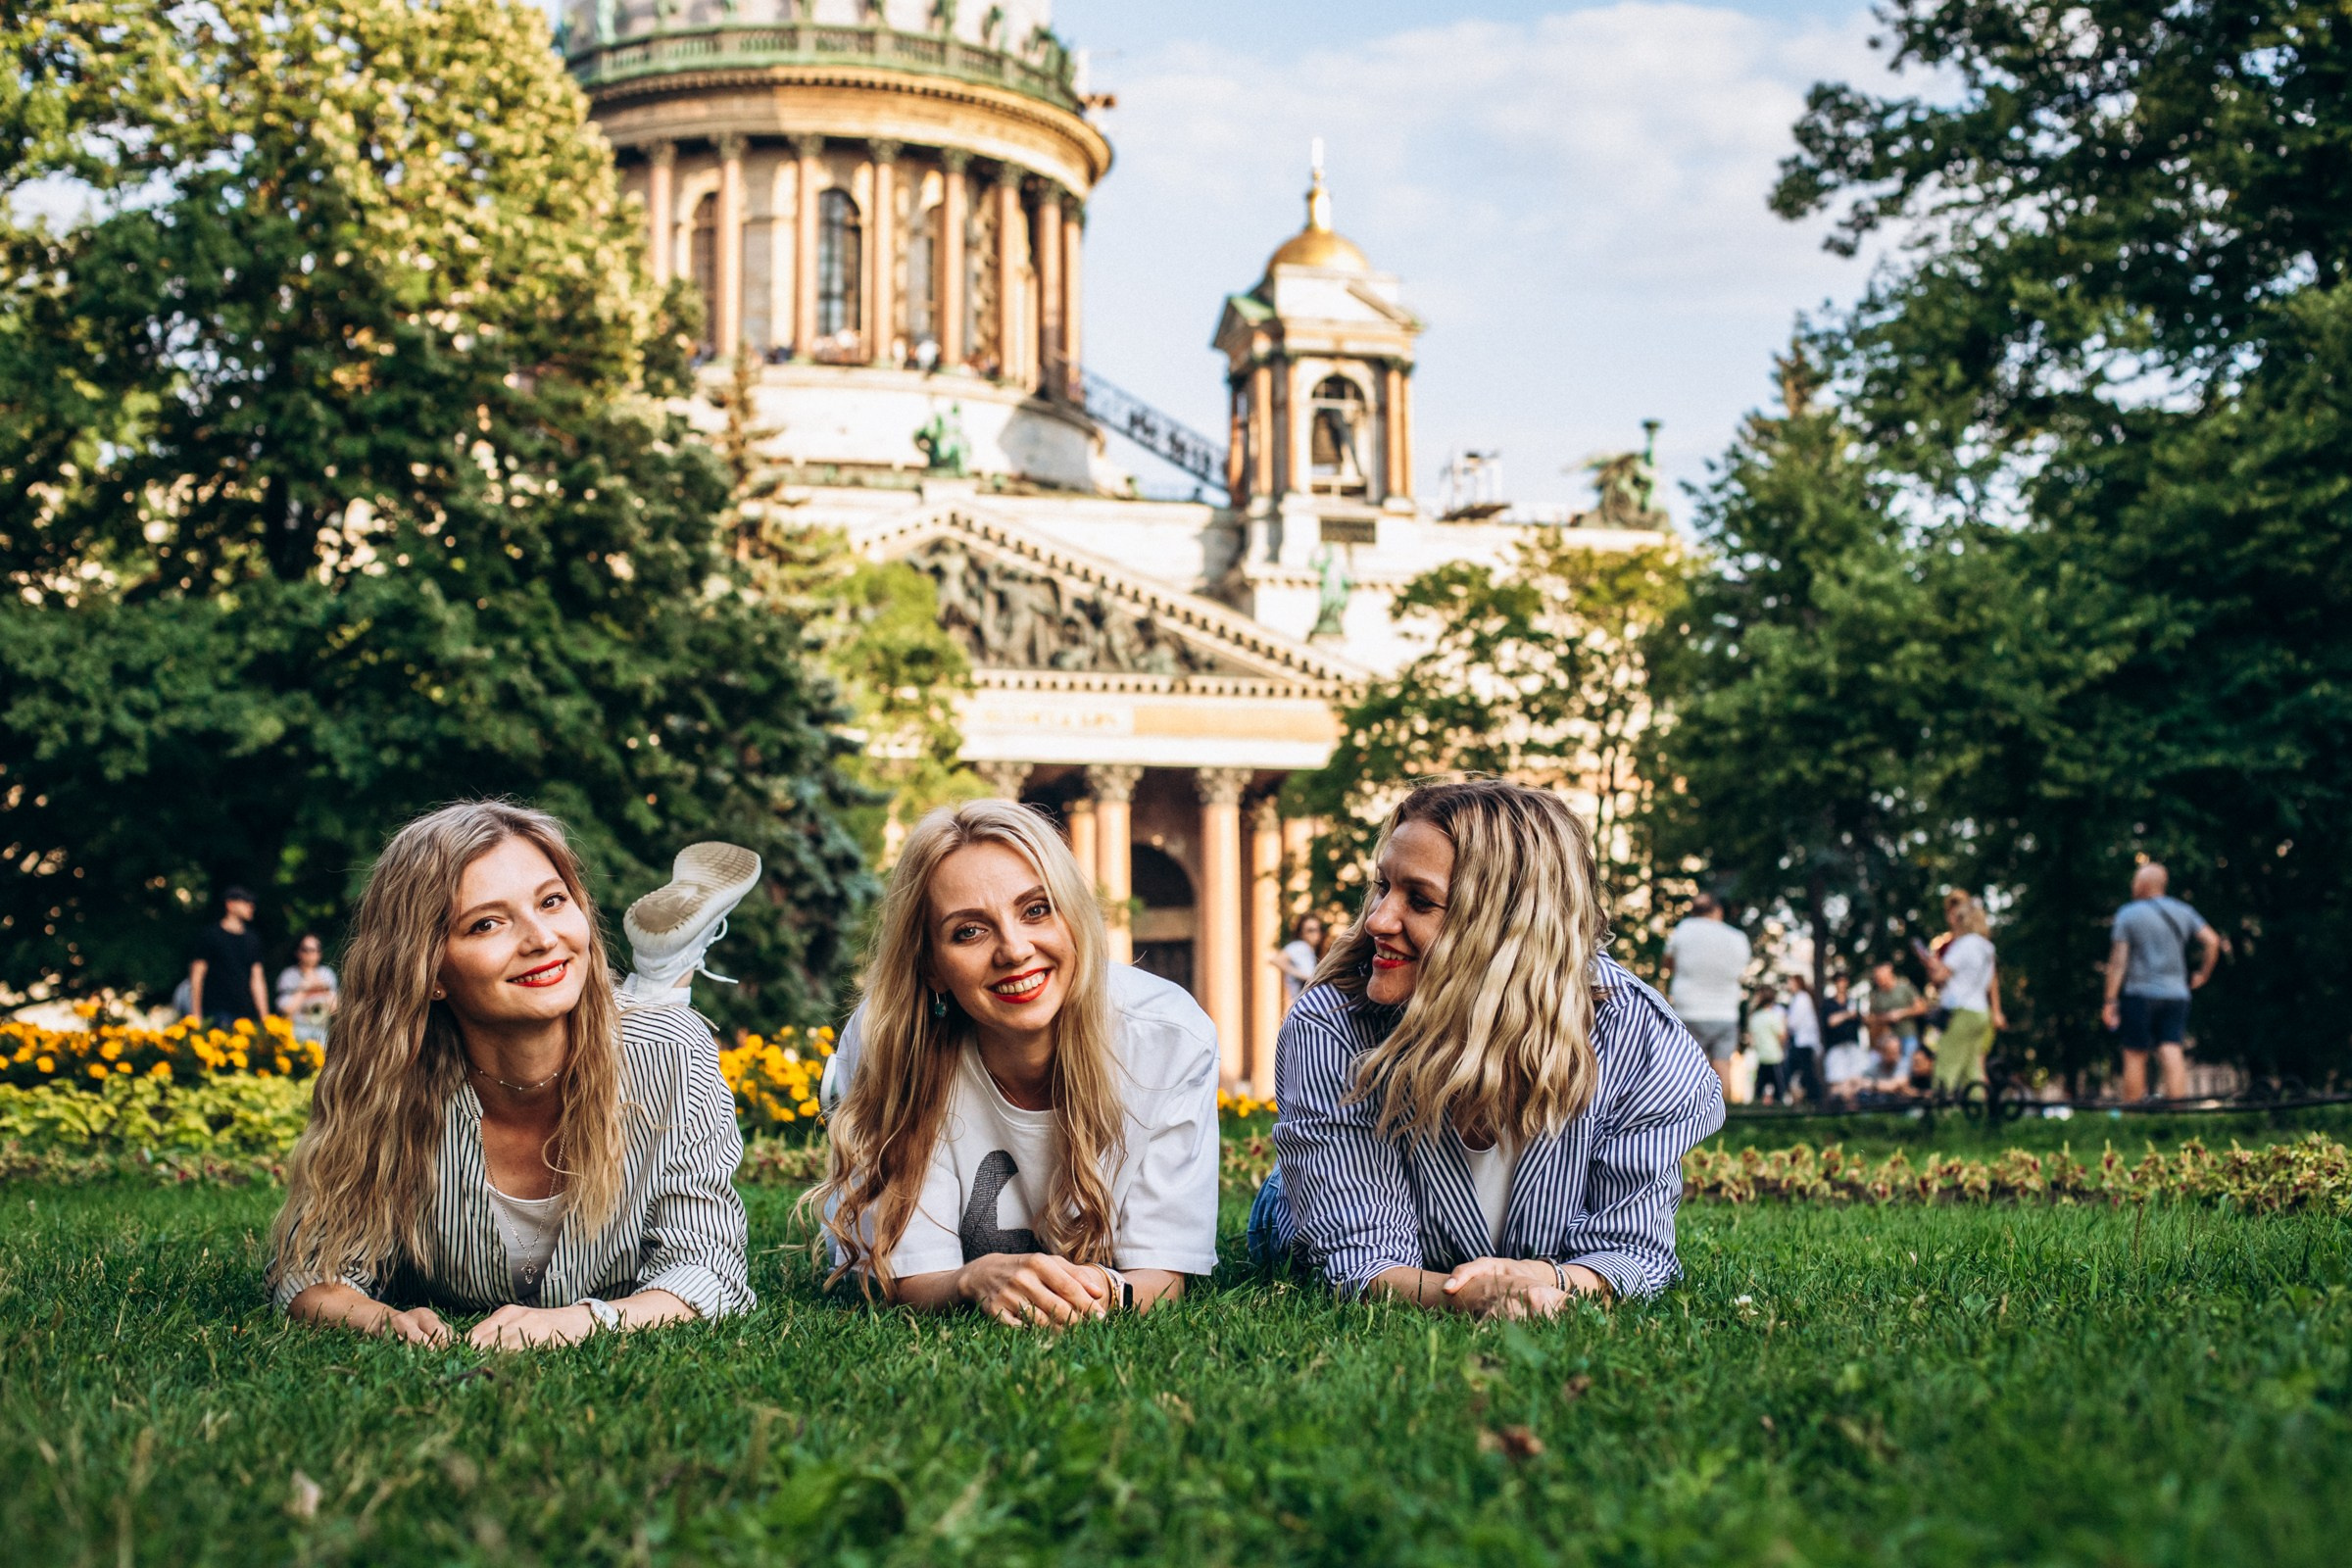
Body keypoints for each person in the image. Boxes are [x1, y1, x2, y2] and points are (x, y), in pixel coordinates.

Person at [267, 803, 757, 1348]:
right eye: (487, 923)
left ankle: (667, 972)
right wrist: (382, 1320)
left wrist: (578, 1322)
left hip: (638, 1037)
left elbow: (709, 1273)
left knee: (652, 1020)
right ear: (429, 970)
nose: (541, 938)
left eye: (552, 901)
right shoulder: (389, 1075)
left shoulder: (669, 1053)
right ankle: (666, 965)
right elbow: (312, 1269)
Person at [1250, 779, 1725, 1315]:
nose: (1378, 919)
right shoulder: (1332, 1023)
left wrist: (1545, 1281)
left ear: (1507, 927)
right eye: (1383, 887)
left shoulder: (1637, 1036)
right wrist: (1466, 1297)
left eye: (1420, 901)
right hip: (1309, 1209)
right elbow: (1359, 1257)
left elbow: (1633, 1250)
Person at [815, 800, 1219, 1325]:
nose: (1014, 950)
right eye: (969, 931)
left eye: (1036, 910)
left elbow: (1161, 1277)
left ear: (1073, 917)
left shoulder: (1168, 1037)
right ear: (932, 966)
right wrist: (972, 1280)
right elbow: (908, 1273)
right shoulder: (888, 1039)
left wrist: (1096, 1293)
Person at [2103, 861, 2220, 1102]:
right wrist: (2203, 974)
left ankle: (2134, 1113)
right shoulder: (2184, 911)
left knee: (2135, 1052)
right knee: (2171, 1048)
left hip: (2139, 993)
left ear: (2144, 884)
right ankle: (2178, 1110)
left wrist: (2110, 1000)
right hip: (2177, 994)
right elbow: (2212, 941)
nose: (2132, 885)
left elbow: (2118, 963)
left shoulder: (2129, 913)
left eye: (2135, 880)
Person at [1660, 892, 1751, 1102]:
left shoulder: (1683, 929)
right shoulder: (1737, 937)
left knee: (1690, 1067)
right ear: (1718, 911)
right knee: (1723, 1064)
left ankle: (1690, 1112)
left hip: (1689, 1010)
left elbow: (1667, 963)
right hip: (1726, 1013)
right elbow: (1741, 970)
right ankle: (1723, 1114)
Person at [1921, 893, 2003, 1095]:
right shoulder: (1987, 947)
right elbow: (1990, 982)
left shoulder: (1963, 944)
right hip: (1980, 1012)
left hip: (1960, 1011)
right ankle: (1977, 1108)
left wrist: (1930, 965)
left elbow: (1940, 977)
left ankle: (1940, 1110)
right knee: (1972, 1068)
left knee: (1946, 1064)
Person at [188, 886, 270, 1028]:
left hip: (245, 1014)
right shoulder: (211, 935)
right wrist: (196, 1014)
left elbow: (257, 979)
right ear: (230, 904)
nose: (251, 906)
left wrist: (265, 1019)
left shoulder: (253, 939)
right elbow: (197, 976)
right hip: (216, 1012)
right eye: (245, 902)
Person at [274, 934, 340, 1046]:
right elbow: (286, 1010)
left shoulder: (327, 974)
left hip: (322, 1030)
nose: (310, 954)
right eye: (306, 950)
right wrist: (304, 988)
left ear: (320, 953)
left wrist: (324, 989)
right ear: (298, 952)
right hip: (296, 1030)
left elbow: (336, 1010)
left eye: (315, 950)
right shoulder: (288, 975)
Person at [1865, 960, 1928, 1076]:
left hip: (1908, 1036)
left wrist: (1902, 1013)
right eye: (1877, 976)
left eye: (1881, 975)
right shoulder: (1876, 995)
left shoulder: (1904, 987)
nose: (1879, 979)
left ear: (1889, 970)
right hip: (1889, 1042)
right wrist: (1886, 1018)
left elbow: (1922, 1007)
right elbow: (1870, 1019)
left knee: (1910, 1069)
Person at [1820, 974, 1871, 1100]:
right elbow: (1830, 1021)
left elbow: (1861, 1021)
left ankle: (1853, 1103)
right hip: (1835, 1046)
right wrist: (1847, 1014)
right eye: (1839, 981)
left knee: (1856, 1078)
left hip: (1852, 1044)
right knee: (1837, 1079)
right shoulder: (1829, 1003)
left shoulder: (1853, 1001)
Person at [1783, 973, 1824, 1105]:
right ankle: (1810, 1097)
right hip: (1804, 1041)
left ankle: (1814, 1098)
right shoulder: (1801, 998)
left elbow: (1794, 1022)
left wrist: (1785, 1021)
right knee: (1806, 1071)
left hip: (1804, 1042)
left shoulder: (1801, 998)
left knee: (1805, 1071)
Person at [1274, 913, 1328, 1011]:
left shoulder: (1310, 951)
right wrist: (1302, 976)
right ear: (1301, 933)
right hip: (1303, 1006)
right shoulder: (1300, 946)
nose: (1315, 934)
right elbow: (1277, 960)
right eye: (1310, 930)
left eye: (1318, 929)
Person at [1746, 984, 1789, 1104]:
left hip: (1761, 1056)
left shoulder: (1755, 1017)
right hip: (1775, 1057)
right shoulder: (1774, 1016)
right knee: (1780, 1087)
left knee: (1759, 1086)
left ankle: (1757, 1103)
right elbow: (1782, 1036)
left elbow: (1752, 1037)